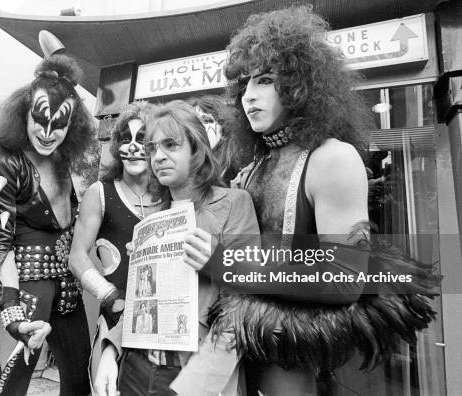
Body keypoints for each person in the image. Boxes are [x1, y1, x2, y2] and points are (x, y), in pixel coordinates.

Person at [176, 7, 436, 395]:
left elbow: (346, 279)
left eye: (264, 80)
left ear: (301, 85)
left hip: (292, 355)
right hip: (231, 345)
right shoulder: (251, 167)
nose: (249, 96)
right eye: (244, 84)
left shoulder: (333, 157)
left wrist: (226, 266)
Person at [93, 100, 261, 396]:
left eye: (171, 145)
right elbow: (142, 302)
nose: (158, 156)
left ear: (196, 149)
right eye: (153, 148)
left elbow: (245, 304)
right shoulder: (152, 219)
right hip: (136, 367)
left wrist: (200, 381)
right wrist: (111, 349)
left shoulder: (235, 203)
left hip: (194, 372)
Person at [0, 32, 93, 396]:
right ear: (25, 114)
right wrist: (11, 307)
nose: (48, 132)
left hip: (67, 284)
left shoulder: (65, 162)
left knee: (80, 378)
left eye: (60, 123)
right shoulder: (8, 163)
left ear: (72, 126)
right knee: (10, 383)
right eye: (41, 119)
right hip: (25, 283)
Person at [68, 101, 161, 385]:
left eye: (142, 139)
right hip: (113, 321)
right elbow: (77, 256)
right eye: (126, 139)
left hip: (163, 330)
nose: (133, 147)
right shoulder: (100, 193)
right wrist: (110, 296)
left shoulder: (172, 196)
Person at [187, 95, 239, 184]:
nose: (201, 128)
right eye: (195, 123)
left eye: (207, 121)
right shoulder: (183, 169)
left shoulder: (239, 166)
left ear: (223, 127)